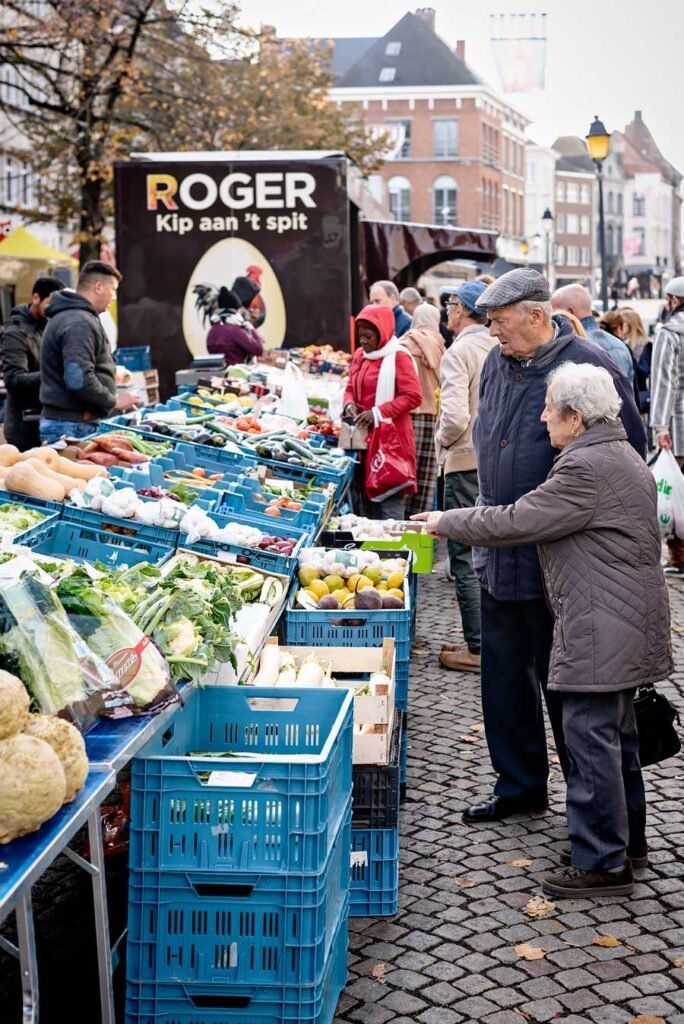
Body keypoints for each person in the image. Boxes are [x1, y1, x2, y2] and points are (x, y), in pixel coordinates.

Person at [414, 362, 671, 897]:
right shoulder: (618, 452)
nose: (542, 417)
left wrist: (445, 522)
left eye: (550, 410)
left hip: (600, 623)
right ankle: (628, 843)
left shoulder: (584, 467)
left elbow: (517, 519)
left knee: (590, 739)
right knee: (616, 738)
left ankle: (602, 862)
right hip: (622, 617)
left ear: (575, 418)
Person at [437, 268, 646, 825]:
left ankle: (592, 809)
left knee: (568, 690)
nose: (493, 333)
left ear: (536, 315)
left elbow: (625, 449)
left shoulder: (587, 366)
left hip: (562, 564)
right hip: (498, 554)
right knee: (504, 685)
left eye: (500, 322)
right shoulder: (497, 362)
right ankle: (519, 785)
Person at [434, 280, 495, 672]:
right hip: (494, 459)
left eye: (451, 303)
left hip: (465, 460)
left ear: (462, 309)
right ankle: (490, 640)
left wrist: (442, 440)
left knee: (465, 555)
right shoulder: (496, 344)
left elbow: (455, 417)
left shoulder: (459, 351)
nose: (447, 309)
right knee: (492, 552)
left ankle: (478, 647)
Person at [39, 261, 139, 445]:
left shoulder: (73, 316)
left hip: (69, 423)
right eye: (113, 290)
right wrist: (114, 402)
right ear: (98, 287)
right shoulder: (79, 322)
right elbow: (78, 379)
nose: (114, 297)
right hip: (72, 425)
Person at [342, 305, 422, 519]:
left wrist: (377, 413)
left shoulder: (399, 357)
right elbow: (350, 387)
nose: (363, 341)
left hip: (389, 440)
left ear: (382, 333)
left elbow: (413, 396)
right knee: (361, 501)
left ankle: (396, 540)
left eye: (368, 336)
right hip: (358, 434)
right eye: (360, 335)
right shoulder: (360, 355)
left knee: (388, 502)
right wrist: (349, 404)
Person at [0, 276, 65, 450]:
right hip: (24, 426)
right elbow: (14, 380)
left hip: (48, 419)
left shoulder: (50, 325)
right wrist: (56, 374)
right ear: (36, 298)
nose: (55, 308)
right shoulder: (15, 332)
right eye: (50, 302)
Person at [399, 303, 445, 517]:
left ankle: (401, 517)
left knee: (405, 470)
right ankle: (419, 520)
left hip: (409, 413)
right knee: (426, 474)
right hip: (434, 415)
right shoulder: (441, 346)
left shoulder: (405, 344)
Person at [551, 284, 634, 384]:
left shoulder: (571, 347)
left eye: (555, 313)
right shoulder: (620, 345)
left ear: (570, 312)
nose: (552, 319)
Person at [650, 276, 684, 460]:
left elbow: (663, 381)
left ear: (675, 300)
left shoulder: (668, 334)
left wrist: (661, 428)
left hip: (679, 429)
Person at [206, 287, 265, 366]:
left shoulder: (212, 330)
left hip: (218, 371)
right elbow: (258, 350)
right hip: (235, 371)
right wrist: (252, 330)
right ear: (237, 310)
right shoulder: (235, 331)